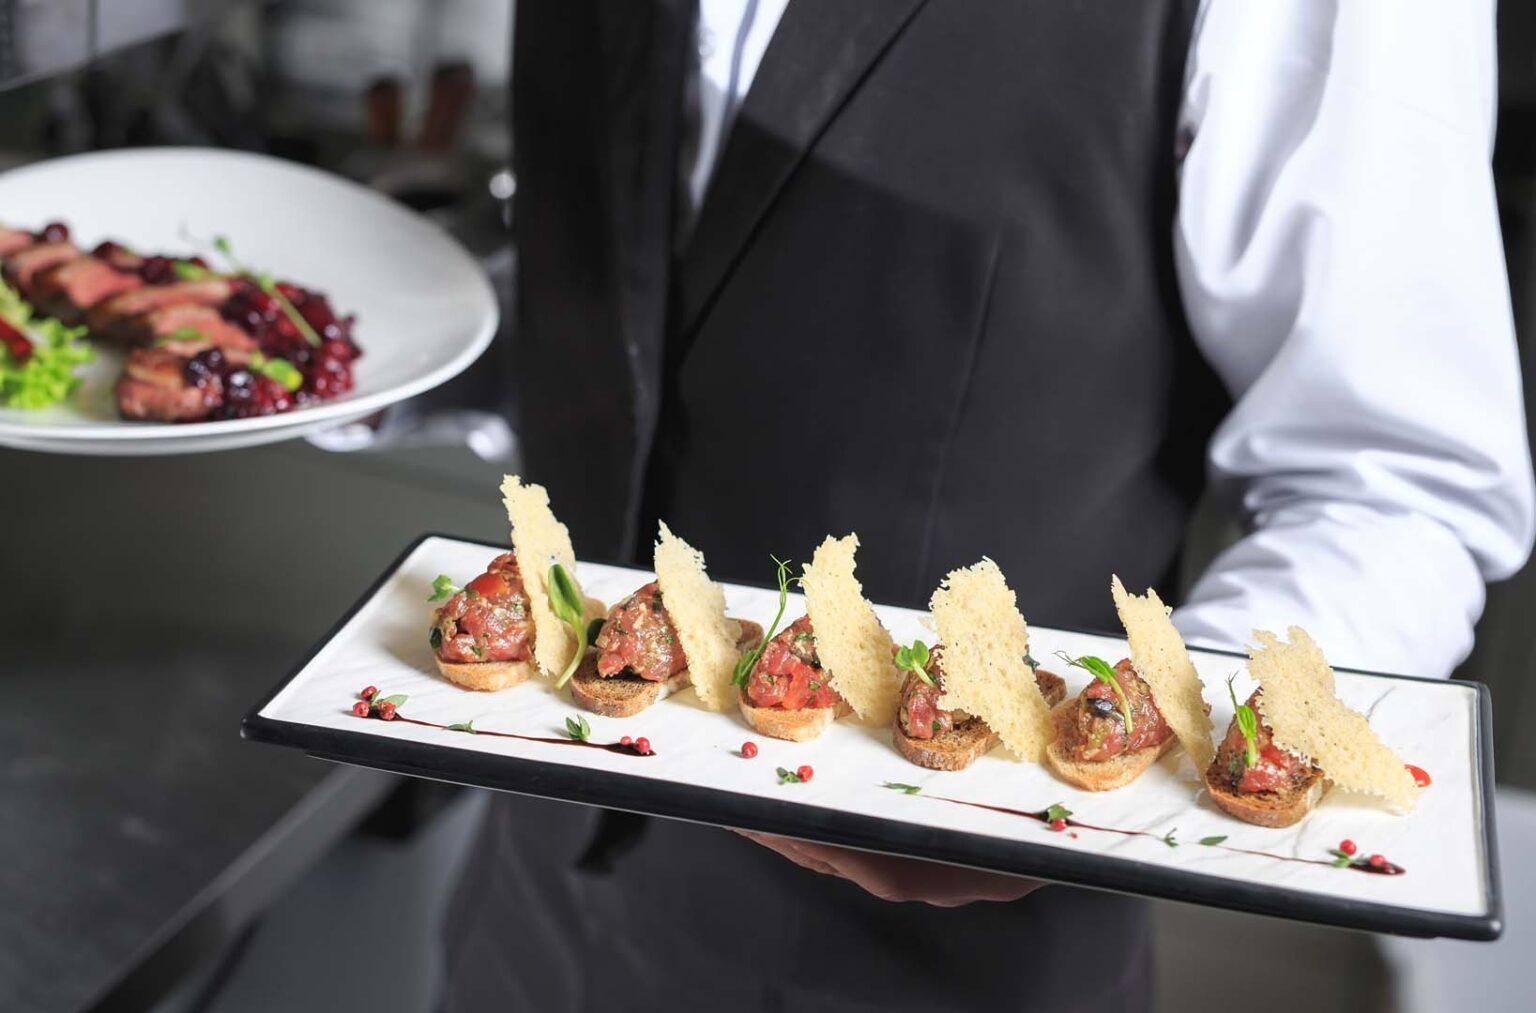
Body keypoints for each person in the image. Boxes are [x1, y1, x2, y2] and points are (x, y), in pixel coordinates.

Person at [442, 2, 1535, 1009]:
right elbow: (647, 283)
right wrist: (399, 339)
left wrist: (1117, 784)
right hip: (522, 898)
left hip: (920, 961)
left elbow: (1391, 486)